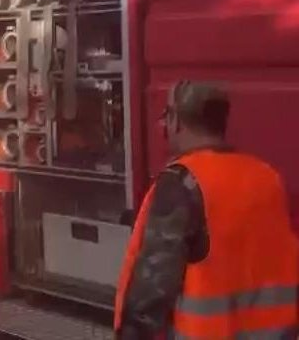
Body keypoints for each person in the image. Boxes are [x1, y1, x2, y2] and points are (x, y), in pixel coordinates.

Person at [114, 81, 299, 339]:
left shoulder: (182, 182)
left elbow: (152, 289)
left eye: (166, 117)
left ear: (175, 121)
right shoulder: (268, 177)